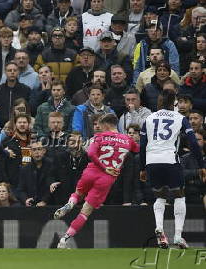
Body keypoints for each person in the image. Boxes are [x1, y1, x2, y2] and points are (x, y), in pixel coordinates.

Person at [54, 113, 139, 248]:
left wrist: (103, 167)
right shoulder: (127, 139)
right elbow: (137, 149)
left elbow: (91, 153)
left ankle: (70, 204)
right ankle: (64, 240)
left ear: (106, 124)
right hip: (107, 178)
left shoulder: (99, 137)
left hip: (92, 171)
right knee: (85, 212)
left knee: (78, 193)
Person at [139, 88, 206, 249]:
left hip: (152, 161)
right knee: (179, 195)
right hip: (170, 160)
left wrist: (142, 168)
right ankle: (177, 235)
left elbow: (142, 146)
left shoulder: (149, 118)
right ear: (174, 103)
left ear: (159, 101)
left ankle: (160, 230)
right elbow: (193, 143)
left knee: (160, 197)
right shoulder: (180, 118)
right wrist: (201, 165)